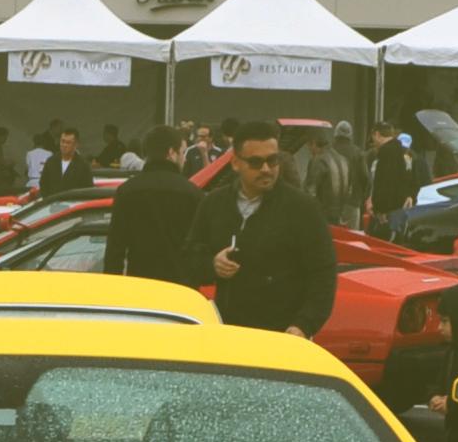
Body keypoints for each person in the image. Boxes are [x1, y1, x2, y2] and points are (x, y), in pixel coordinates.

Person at [196, 126, 337, 342]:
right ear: (236, 163)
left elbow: (323, 274)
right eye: (255, 162)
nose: (266, 169)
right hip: (229, 334)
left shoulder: (302, 209)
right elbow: (189, 256)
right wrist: (211, 264)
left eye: (273, 160)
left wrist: (303, 325)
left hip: (283, 336)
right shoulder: (214, 204)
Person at [109, 123, 204, 287]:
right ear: (171, 153)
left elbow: (115, 250)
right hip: (181, 289)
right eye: (182, 152)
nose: (184, 158)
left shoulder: (126, 191)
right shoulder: (192, 193)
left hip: (139, 286)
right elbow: (198, 249)